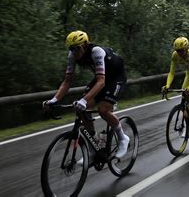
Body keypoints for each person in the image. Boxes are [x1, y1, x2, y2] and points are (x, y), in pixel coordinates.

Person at [43, 30, 130, 159]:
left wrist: (84, 100)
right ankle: (93, 147)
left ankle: (123, 139)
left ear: (84, 45)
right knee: (82, 110)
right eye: (71, 49)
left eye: (77, 48)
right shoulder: (72, 55)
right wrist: (54, 100)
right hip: (102, 77)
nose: (75, 52)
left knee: (103, 110)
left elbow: (101, 82)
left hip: (116, 76)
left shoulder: (96, 52)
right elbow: (67, 81)